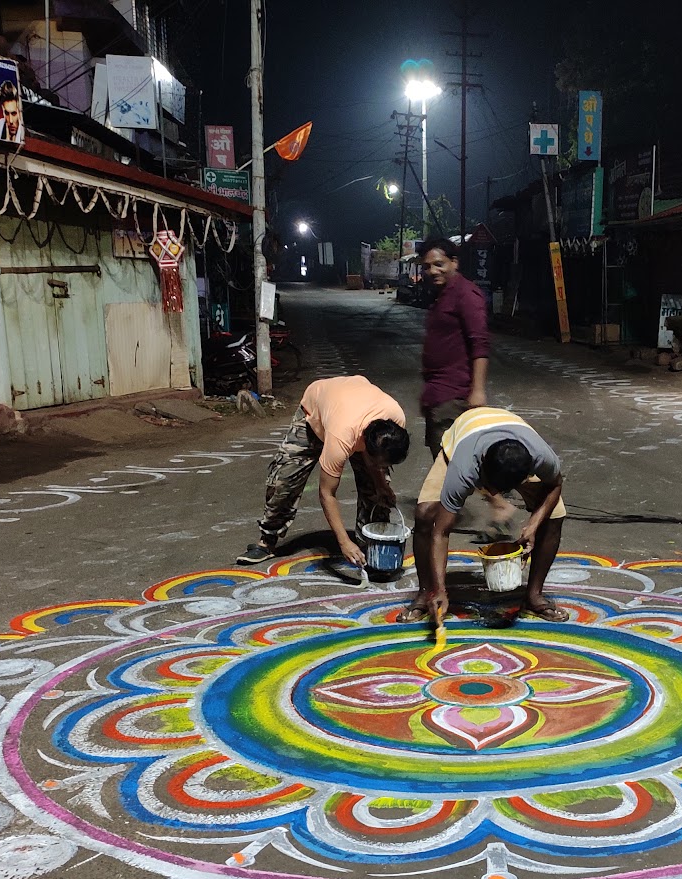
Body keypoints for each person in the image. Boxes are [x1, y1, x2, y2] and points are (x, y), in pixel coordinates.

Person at [403, 406, 568, 623]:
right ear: (481, 467)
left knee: (554, 516)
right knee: (425, 514)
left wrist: (533, 525)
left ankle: (534, 596)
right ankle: (426, 594)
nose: (492, 494)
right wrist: (440, 590)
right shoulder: (464, 468)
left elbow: (555, 483)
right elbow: (441, 532)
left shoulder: (541, 457)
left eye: (500, 491)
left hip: (512, 433)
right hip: (465, 431)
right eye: (489, 487)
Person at [236, 375, 410, 567]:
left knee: (378, 492)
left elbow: (377, 464)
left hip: (352, 408)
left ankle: (371, 545)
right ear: (365, 449)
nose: (379, 467)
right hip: (315, 413)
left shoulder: (396, 421)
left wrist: (381, 485)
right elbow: (327, 493)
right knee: (284, 480)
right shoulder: (342, 436)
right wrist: (344, 542)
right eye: (376, 462)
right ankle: (267, 541)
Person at [417, 236, 514, 539]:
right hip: (438, 391)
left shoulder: (466, 294)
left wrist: (478, 390)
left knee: (452, 457)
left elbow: (480, 344)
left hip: (454, 391)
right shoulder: (441, 296)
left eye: (439, 264)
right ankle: (482, 505)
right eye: (428, 266)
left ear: (455, 262)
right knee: (450, 455)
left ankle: (495, 505)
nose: (433, 271)